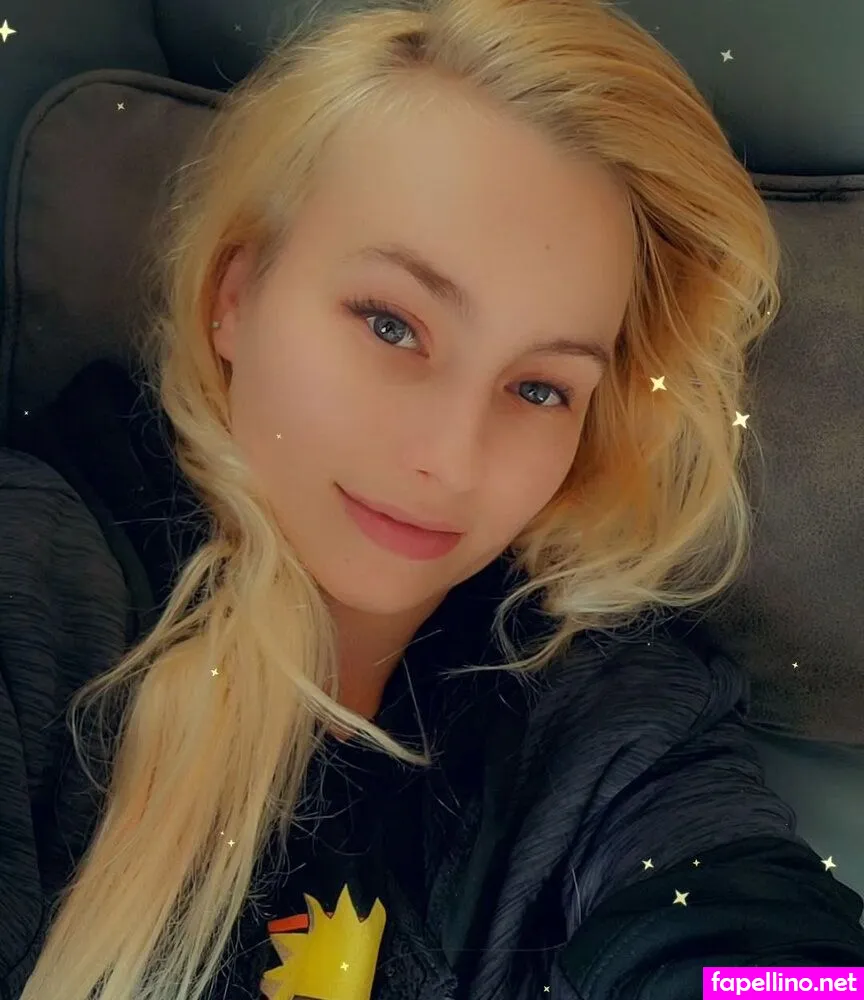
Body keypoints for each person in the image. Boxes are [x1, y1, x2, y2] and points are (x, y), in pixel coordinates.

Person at [2, 0, 863, 998]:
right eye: (391, 324)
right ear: (236, 294)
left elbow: (770, 958)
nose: (452, 460)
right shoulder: (37, 579)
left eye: (539, 388)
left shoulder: (608, 716)